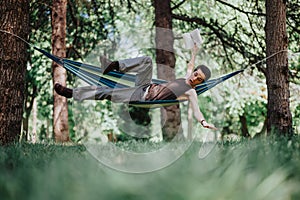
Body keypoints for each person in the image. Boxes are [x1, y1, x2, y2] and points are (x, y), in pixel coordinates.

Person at [55, 45, 217, 130]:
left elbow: (196, 111)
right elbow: (190, 65)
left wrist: (203, 122)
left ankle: (72, 93)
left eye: (198, 79)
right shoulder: (188, 76)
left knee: (107, 92)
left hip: (142, 97)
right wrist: (194, 51)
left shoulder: (190, 92)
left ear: (200, 83)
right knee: (147, 60)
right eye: (196, 73)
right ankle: (115, 65)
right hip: (146, 85)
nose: (194, 77)